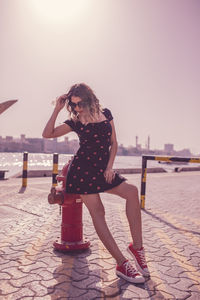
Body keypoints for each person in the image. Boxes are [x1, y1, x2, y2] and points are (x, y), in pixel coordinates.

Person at [42, 83, 149, 284]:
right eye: (73, 105)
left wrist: (110, 167)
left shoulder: (106, 114)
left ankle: (138, 248)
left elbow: (114, 143)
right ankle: (122, 263)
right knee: (99, 212)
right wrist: (57, 108)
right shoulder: (75, 121)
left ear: (89, 99)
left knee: (132, 192)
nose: (77, 108)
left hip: (102, 169)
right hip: (81, 172)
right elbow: (47, 134)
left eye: (80, 103)